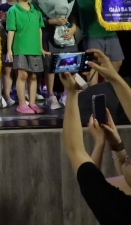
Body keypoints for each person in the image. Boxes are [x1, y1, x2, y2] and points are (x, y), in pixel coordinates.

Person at [58, 52, 131, 225]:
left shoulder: (117, 210)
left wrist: (71, 93)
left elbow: (76, 152)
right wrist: (114, 77)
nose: (128, 160)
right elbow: (94, 178)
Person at [34, 0, 80, 110]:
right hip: (48, 33)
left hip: (66, 33)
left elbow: (73, 15)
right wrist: (51, 21)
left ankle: (66, 93)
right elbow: (36, 18)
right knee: (50, 64)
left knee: (68, 63)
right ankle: (50, 95)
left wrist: (73, 28)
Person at [70, 0, 123, 73]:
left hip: (109, 30)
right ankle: (94, 86)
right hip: (92, 33)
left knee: (117, 61)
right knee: (93, 64)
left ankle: (109, 83)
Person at [6, 0, 47, 114]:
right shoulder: (13, 10)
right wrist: (9, 50)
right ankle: (22, 104)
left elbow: (39, 30)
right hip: (20, 49)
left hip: (34, 49)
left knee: (34, 76)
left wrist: (41, 47)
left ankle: (33, 103)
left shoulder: (36, 11)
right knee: (22, 75)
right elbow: (11, 30)